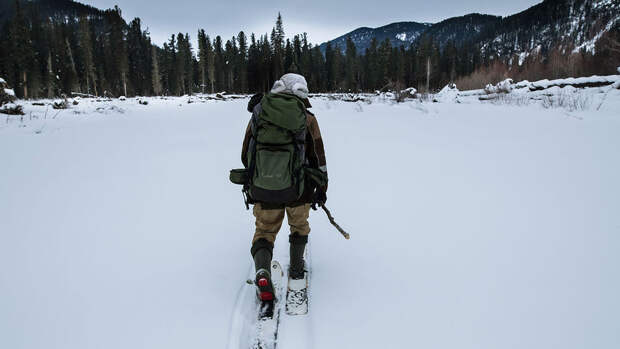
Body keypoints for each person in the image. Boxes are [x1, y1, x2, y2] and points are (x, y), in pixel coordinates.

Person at [241, 73, 328, 301]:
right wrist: (322, 187)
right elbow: (318, 156)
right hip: (299, 190)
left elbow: (245, 153)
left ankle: (262, 271)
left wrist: (259, 177)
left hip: (263, 189)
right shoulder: (307, 118)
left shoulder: (259, 113)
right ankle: (297, 268)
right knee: (299, 226)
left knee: (265, 231)